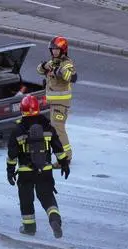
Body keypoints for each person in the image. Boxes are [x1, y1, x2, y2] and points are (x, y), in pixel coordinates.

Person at [6, 95, 70, 238]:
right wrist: (64, 164)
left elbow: (12, 155)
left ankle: (29, 228)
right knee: (47, 198)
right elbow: (58, 149)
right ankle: (54, 220)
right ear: (38, 109)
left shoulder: (18, 130)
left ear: (22, 110)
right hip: (45, 170)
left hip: (25, 172)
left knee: (26, 200)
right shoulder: (48, 127)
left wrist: (10, 171)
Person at [37, 36, 77, 168]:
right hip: (53, 103)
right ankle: (62, 155)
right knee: (54, 129)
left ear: (63, 50)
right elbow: (39, 70)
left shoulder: (67, 63)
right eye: (52, 49)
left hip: (61, 103)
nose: (54, 52)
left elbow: (72, 77)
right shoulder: (52, 62)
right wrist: (44, 65)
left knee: (58, 128)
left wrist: (59, 70)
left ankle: (66, 158)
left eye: (57, 49)